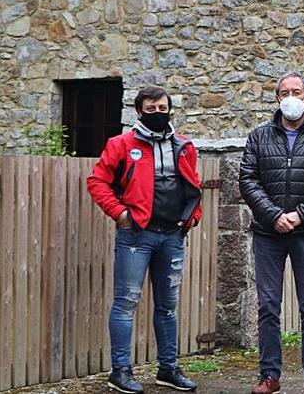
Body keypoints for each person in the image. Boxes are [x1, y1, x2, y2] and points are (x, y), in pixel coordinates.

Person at [87, 85, 202, 393]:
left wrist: (192, 218)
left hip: (173, 237)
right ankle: (120, 371)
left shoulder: (184, 146)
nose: (157, 114)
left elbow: (194, 185)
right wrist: (120, 214)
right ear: (138, 111)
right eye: (150, 109)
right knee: (126, 303)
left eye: (162, 109)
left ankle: (168, 369)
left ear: (170, 110)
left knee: (168, 306)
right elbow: (97, 181)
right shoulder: (121, 144)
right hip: (137, 235)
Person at [240, 72, 304, 394]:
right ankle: (269, 376)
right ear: (277, 99)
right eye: (284, 92)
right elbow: (248, 180)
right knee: (268, 305)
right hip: (268, 233)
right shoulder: (258, 136)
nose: (290, 97)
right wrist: (274, 216)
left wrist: (299, 215)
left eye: (296, 91)